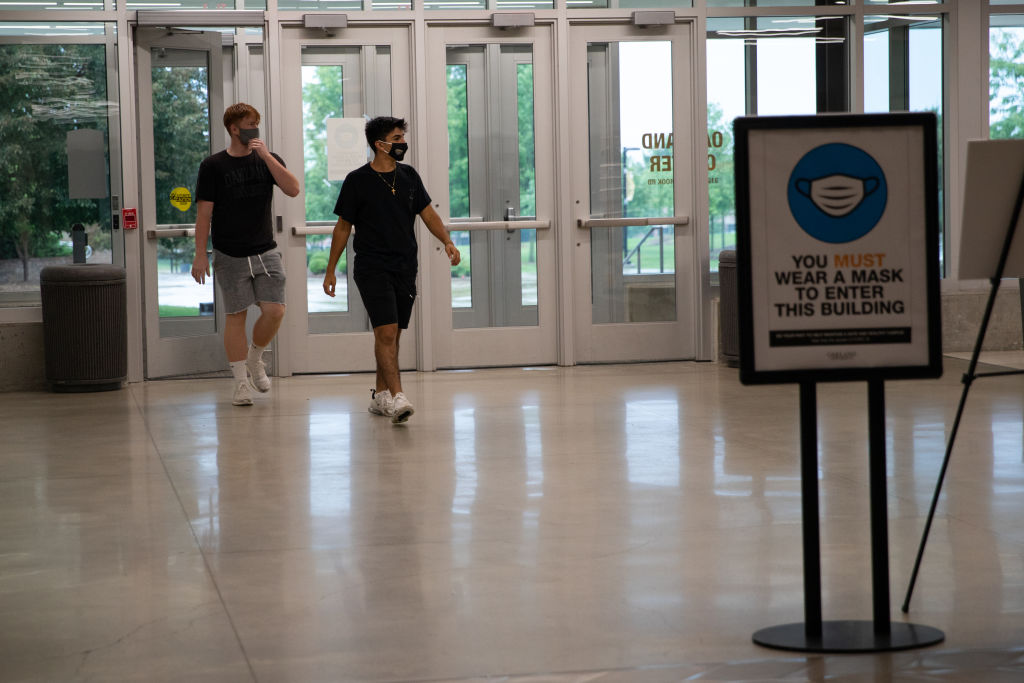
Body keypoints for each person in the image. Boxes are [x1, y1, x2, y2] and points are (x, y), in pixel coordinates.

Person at [323, 116, 461, 424]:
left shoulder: (409, 176)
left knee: (392, 333)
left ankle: (380, 395)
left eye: (402, 138)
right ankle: (399, 396)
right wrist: (331, 269)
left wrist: (447, 241)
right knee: (385, 330)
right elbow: (343, 227)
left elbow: (427, 213)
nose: (402, 143)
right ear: (379, 144)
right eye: (396, 138)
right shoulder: (357, 181)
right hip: (372, 266)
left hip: (404, 266)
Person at [191, 103, 300, 406]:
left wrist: (265, 156)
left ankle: (255, 359)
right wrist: (200, 254)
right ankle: (240, 383)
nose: (255, 128)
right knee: (235, 316)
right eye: (249, 124)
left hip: (265, 249)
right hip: (229, 253)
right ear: (234, 128)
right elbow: (204, 215)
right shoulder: (213, 166)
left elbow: (293, 189)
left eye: (257, 123)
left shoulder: (267, 159)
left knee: (275, 310)